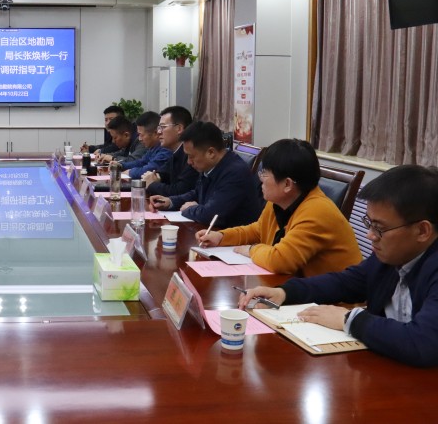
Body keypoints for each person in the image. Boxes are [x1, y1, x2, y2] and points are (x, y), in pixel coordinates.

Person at [239, 165, 438, 367]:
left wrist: (349, 319)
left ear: (422, 231)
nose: (370, 235)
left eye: (379, 228)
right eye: (369, 223)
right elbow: (346, 282)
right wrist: (284, 292)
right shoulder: (392, 255)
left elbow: (424, 342)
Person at [197, 139, 361, 276]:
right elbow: (258, 230)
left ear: (287, 184)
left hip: (333, 301)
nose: (261, 179)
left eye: (265, 173)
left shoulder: (317, 211)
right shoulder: (279, 200)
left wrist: (252, 250)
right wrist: (221, 237)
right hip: (297, 287)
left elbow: (280, 261)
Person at [150, 121, 262, 228]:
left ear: (211, 153)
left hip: (234, 237)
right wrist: (171, 202)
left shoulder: (235, 173)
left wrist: (190, 209)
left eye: (191, 156)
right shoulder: (211, 165)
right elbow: (198, 193)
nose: (189, 162)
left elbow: (212, 215)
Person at [143, 106, 198, 198]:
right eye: (159, 127)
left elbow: (180, 191)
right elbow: (160, 173)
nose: (158, 132)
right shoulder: (175, 152)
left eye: (163, 127)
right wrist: (154, 177)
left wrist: (152, 184)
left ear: (179, 129)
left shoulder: (191, 155)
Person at [119, 111, 172, 180]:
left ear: (155, 133)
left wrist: (130, 172)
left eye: (141, 135)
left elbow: (150, 170)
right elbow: (141, 162)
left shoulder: (166, 149)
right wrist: (121, 165)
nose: (139, 139)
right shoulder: (153, 147)